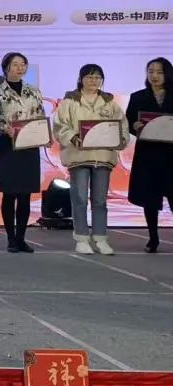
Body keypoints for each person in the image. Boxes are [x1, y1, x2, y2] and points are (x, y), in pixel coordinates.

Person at [52, 63, 129, 255]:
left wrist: (120, 139)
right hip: (79, 156)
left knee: (100, 200)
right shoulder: (69, 102)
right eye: (89, 77)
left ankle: (101, 238)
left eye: (97, 77)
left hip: (103, 157)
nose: (93, 81)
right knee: (79, 199)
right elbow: (60, 126)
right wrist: (73, 137)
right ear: (81, 79)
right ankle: (81, 238)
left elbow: (122, 126)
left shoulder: (109, 103)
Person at [0, 52, 45, 253]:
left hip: (29, 145)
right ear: (6, 68)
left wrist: (44, 135)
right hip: (8, 145)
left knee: (25, 194)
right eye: (15, 64)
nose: (20, 68)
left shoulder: (33, 91)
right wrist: (4, 129)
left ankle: (21, 238)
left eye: (23, 64)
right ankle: (11, 239)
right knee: (10, 193)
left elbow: (40, 116)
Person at [126, 57, 173, 253]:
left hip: (171, 156)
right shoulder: (138, 97)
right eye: (151, 71)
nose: (154, 76)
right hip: (148, 155)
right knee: (150, 199)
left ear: (167, 74)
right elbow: (128, 122)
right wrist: (134, 126)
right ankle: (153, 239)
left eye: (159, 72)